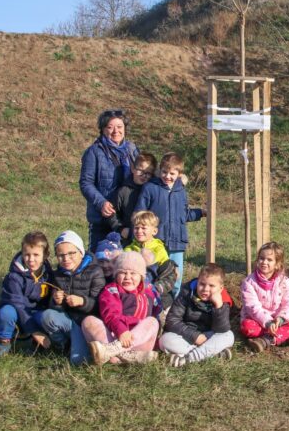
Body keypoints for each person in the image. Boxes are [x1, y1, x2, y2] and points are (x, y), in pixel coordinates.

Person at [134, 152, 204, 296]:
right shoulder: (150, 188)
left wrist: (200, 213)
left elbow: (183, 214)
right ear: (159, 170)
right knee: (154, 274)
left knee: (176, 276)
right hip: (156, 241)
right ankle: (152, 301)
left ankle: (172, 305)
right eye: (164, 172)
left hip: (177, 241)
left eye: (172, 173)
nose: (167, 176)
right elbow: (140, 212)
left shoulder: (181, 191)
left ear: (179, 174)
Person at [41, 230, 105, 365]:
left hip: (88, 322)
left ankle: (83, 344)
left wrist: (83, 301)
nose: (66, 259)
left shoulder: (95, 272)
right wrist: (56, 301)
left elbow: (100, 305)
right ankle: (63, 345)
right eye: (61, 255)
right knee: (48, 316)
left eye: (71, 253)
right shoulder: (58, 274)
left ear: (81, 252)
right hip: (70, 320)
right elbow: (55, 307)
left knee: (78, 361)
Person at [84, 252, 160, 365]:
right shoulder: (111, 290)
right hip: (115, 335)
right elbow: (111, 313)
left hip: (138, 341)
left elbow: (156, 313)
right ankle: (127, 356)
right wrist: (121, 331)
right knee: (88, 321)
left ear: (141, 276)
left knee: (153, 321)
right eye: (123, 273)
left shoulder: (149, 293)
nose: (128, 277)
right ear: (116, 274)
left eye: (133, 273)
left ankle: (112, 352)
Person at [0, 231, 53, 359]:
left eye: (36, 255)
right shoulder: (14, 277)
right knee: (6, 312)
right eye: (27, 254)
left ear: (45, 255)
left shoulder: (48, 274)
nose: (31, 259)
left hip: (36, 312)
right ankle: (4, 342)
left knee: (46, 315)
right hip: (18, 311)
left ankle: (37, 345)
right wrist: (34, 330)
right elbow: (18, 305)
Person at [80, 109, 139, 253]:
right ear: (103, 129)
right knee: (100, 261)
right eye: (110, 127)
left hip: (126, 217)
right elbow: (86, 183)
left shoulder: (132, 149)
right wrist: (101, 203)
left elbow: (145, 172)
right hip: (103, 218)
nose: (115, 131)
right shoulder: (94, 152)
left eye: (119, 127)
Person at [159, 263, 234, 367]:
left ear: (221, 288)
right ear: (197, 281)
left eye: (211, 286)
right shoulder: (186, 292)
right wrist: (194, 336)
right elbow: (172, 320)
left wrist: (218, 306)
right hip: (186, 336)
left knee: (229, 336)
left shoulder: (223, 300)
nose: (205, 289)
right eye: (202, 284)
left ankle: (187, 359)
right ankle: (212, 353)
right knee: (165, 340)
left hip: (209, 336)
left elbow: (221, 329)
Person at [240, 242, 289, 352]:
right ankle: (283, 337)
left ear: (277, 264)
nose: (264, 262)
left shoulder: (284, 282)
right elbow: (252, 307)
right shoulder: (249, 282)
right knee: (247, 327)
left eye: (269, 260)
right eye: (261, 258)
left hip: (278, 321)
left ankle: (265, 341)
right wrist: (268, 322)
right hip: (257, 320)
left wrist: (281, 319)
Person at [103, 153, 157, 246]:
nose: (144, 175)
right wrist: (120, 228)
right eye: (141, 170)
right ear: (133, 168)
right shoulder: (123, 191)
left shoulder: (155, 190)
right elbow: (111, 213)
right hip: (129, 240)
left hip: (152, 241)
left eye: (148, 173)